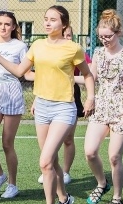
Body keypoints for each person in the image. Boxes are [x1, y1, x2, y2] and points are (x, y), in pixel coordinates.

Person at [0, 5, 94, 204]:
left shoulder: (73, 48)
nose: (47, 23)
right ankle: (65, 199)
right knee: (51, 161)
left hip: (64, 108)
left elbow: (86, 74)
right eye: (46, 19)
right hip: (42, 106)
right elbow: (20, 72)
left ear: (63, 24)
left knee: (44, 161)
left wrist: (91, 98)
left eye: (53, 20)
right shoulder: (37, 45)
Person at [83, 10, 123, 204]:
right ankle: (102, 183)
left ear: (118, 33)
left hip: (122, 109)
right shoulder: (98, 54)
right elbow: (90, 78)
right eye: (101, 36)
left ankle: (117, 196)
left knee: (114, 156)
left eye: (108, 36)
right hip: (101, 107)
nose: (105, 40)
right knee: (90, 152)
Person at [36, 25, 91, 185]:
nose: (67, 37)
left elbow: (89, 74)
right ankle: (50, 168)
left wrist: (70, 79)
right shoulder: (47, 49)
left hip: (69, 95)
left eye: (69, 35)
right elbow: (43, 77)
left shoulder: (75, 50)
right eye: (65, 34)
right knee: (48, 142)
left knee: (68, 138)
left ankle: (65, 172)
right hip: (47, 95)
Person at [0, 11, 28, 199]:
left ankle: (12, 184)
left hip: (11, 91)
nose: (3, 27)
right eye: (0, 23)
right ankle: (0, 175)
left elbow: (20, 73)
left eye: (7, 24)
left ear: (14, 27)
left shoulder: (20, 46)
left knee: (7, 143)